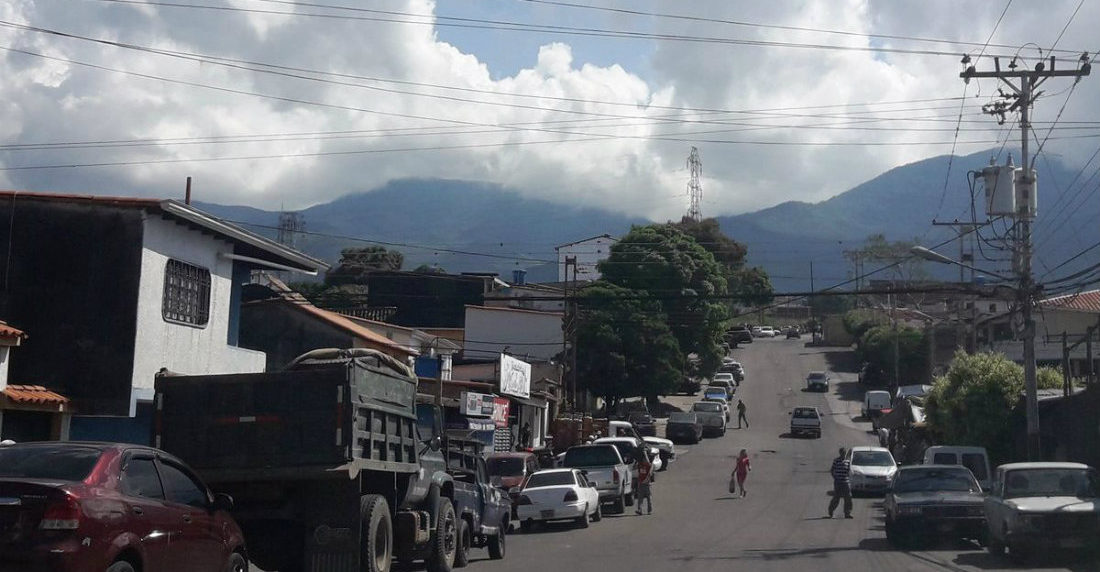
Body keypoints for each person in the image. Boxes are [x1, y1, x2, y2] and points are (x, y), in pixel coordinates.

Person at [828, 447, 853, 518]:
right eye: (842, 453)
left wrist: (848, 478)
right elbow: (832, 470)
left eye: (844, 453)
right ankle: (831, 511)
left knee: (848, 497)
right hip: (838, 482)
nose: (843, 454)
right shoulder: (836, 461)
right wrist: (835, 477)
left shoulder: (847, 462)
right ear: (840, 453)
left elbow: (849, 471)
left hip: (846, 482)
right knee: (836, 497)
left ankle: (847, 513)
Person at [635, 448, 653, 515]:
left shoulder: (648, 466)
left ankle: (649, 510)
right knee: (640, 498)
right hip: (640, 483)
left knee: (649, 498)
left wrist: (645, 453)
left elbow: (648, 462)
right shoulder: (640, 465)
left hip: (647, 483)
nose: (644, 460)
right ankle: (640, 510)